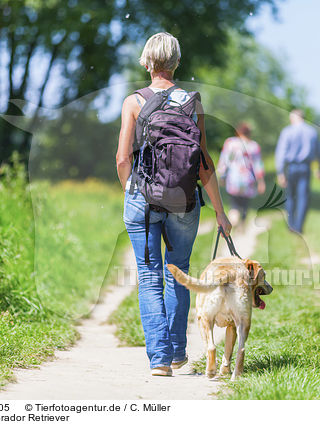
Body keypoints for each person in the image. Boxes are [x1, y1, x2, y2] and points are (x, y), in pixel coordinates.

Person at [116, 32, 232, 377]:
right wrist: (221, 212)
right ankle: (179, 350)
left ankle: (160, 360)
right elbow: (203, 161)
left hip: (143, 198)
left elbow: (123, 158)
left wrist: (132, 191)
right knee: (179, 271)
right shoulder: (192, 102)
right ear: (177, 62)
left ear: (147, 62)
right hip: (184, 200)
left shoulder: (133, 102)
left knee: (150, 277)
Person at [274, 109, 320, 234]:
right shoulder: (312, 131)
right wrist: (319, 168)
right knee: (303, 197)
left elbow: (281, 153)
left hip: (291, 168)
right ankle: (299, 226)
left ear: (293, 118)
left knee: (290, 196)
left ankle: (291, 225)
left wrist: (280, 172)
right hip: (306, 168)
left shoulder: (287, 131)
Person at [217, 122, 265, 227]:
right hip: (248, 181)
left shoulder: (230, 143)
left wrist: (222, 176)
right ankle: (242, 225)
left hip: (233, 179)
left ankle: (233, 222)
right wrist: (261, 182)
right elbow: (258, 165)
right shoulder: (253, 146)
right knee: (245, 204)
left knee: (234, 204)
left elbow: (225, 161)